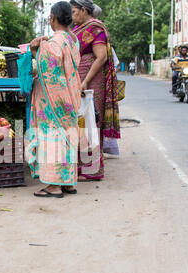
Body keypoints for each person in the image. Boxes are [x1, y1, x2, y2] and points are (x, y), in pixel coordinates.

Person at [27, 1, 82, 198]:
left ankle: (54, 185)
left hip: (53, 100)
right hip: (70, 96)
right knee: (67, 137)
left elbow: (47, 68)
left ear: (52, 18)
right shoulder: (73, 40)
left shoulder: (54, 42)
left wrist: (35, 50)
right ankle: (67, 182)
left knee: (51, 138)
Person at [70, 0, 121, 181]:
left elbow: (101, 57)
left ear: (84, 10)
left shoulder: (95, 28)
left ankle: (93, 169)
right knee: (79, 123)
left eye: (74, 11)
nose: (71, 15)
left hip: (91, 83)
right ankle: (81, 166)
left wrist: (85, 81)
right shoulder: (78, 29)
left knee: (91, 122)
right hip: (79, 81)